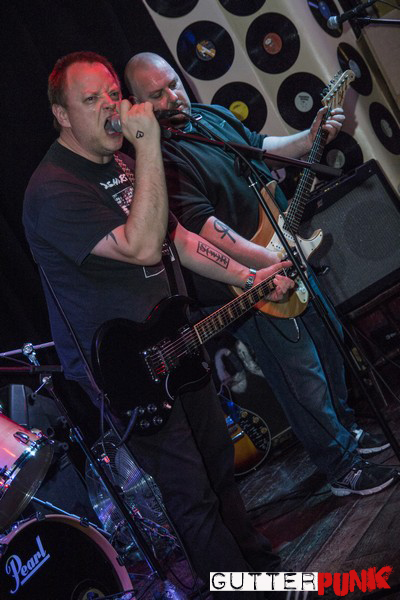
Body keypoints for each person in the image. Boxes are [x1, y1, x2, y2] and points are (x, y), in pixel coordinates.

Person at [23, 51, 302, 597]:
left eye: (111, 93)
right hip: (123, 364)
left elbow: (178, 238)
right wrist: (148, 144)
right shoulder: (53, 189)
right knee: (190, 492)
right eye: (90, 99)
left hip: (172, 336)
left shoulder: (122, 165)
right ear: (61, 115)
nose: (109, 106)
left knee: (218, 466)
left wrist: (250, 277)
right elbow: (142, 245)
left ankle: (262, 573)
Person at [124, 52, 397, 497]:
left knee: (329, 346)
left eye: (173, 83)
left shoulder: (208, 115)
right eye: (157, 94)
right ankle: (341, 467)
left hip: (283, 255)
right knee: (301, 373)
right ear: (137, 105)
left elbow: (260, 145)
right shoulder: (162, 158)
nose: (173, 96)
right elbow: (205, 228)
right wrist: (267, 262)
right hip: (247, 283)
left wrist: (309, 137)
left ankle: (348, 434)